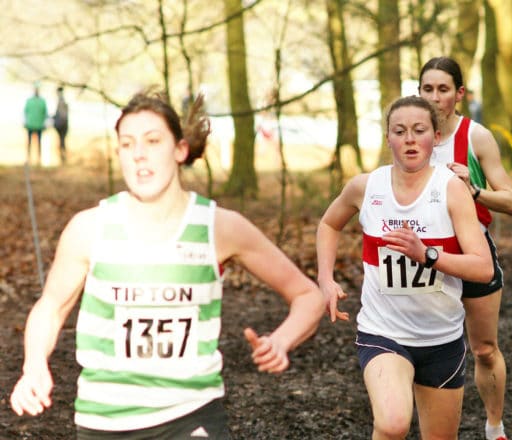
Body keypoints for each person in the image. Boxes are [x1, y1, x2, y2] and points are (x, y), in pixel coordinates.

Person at [9, 89, 325, 438]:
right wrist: (34, 364)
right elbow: (51, 307)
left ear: (179, 150)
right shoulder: (89, 228)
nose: (139, 155)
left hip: (191, 415)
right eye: (127, 145)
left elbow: (307, 295)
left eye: (152, 141)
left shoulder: (219, 226)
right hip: (104, 422)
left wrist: (280, 341)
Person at [316, 96, 494, 439]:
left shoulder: (452, 190)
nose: (410, 139)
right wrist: (325, 279)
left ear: (436, 137)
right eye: (399, 131)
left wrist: (427, 255)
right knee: (392, 424)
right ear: (388, 139)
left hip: (441, 338)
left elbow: (483, 268)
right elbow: (329, 224)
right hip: (383, 332)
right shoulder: (366, 187)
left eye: (419, 130)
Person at [418, 56, 512, 440]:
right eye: (427, 89)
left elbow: (510, 200)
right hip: (426, 257)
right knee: (424, 347)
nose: (435, 97)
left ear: (459, 94)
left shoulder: (476, 137)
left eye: (443, 89)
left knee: (484, 348)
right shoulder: (411, 134)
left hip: (474, 252)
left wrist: (473, 189)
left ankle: (495, 427)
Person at [24, 82, 48, 166]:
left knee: (39, 143)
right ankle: (28, 158)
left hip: (39, 125)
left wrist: (45, 123)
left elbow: (45, 113)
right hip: (30, 125)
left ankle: (39, 159)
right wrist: (25, 122)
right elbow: (25, 112)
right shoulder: (29, 101)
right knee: (29, 143)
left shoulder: (42, 101)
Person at [53, 86, 69, 164]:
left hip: (63, 124)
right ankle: (62, 157)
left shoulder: (62, 101)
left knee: (62, 141)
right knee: (62, 141)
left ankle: (63, 158)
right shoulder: (61, 101)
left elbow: (63, 115)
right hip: (62, 124)